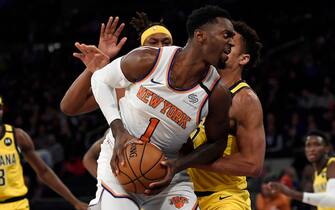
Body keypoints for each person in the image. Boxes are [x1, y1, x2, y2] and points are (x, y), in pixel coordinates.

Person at [81, 5, 234, 209]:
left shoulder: (217, 93)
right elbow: (100, 79)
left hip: (169, 171)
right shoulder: (149, 59)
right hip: (121, 159)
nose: (231, 42)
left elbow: (217, 144)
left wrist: (178, 165)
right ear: (200, 36)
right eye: (226, 35)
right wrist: (119, 132)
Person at [78, 12, 174, 177]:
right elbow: (71, 107)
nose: (160, 47)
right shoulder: (124, 84)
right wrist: (92, 68)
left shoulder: (186, 84)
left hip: (171, 174)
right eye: (153, 42)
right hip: (131, 161)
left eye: (166, 42)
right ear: (141, 48)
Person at [186, 21, 265, 209]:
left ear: (243, 59)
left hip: (225, 198)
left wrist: (189, 161)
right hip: (185, 195)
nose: (223, 45)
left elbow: (253, 165)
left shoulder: (245, 100)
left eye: (231, 43)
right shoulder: (192, 89)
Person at [0, 96, 87, 210]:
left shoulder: (18, 136)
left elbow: (44, 171)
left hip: (17, 205)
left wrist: (74, 201)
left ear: (2, 110)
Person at [269, 130, 335, 210]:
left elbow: (332, 200)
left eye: (316, 145)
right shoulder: (316, 173)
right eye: (308, 145)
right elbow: (320, 202)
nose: (312, 149)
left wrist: (289, 192)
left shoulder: (332, 165)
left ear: (327, 148)